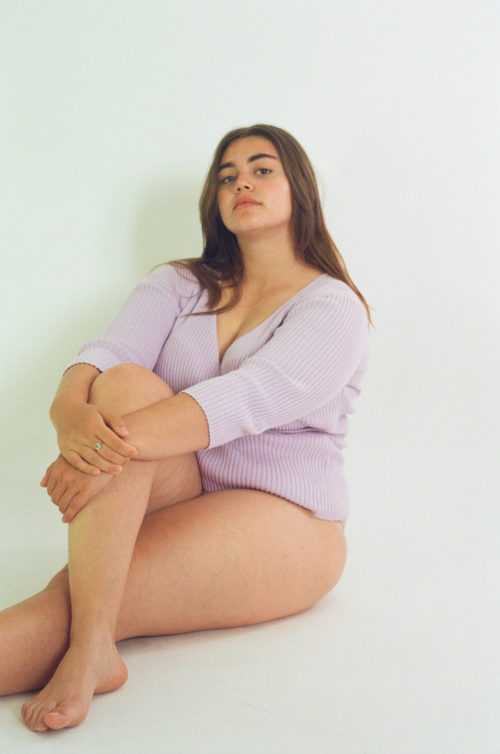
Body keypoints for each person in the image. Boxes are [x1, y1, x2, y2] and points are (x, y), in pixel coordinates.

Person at [0, 124, 373, 733]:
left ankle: (91, 644)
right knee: (124, 382)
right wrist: (69, 420)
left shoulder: (332, 307)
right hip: (178, 483)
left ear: (299, 189)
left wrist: (98, 452)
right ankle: (95, 645)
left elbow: (248, 396)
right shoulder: (179, 283)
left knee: (69, 603)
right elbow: (108, 354)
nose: (242, 183)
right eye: (227, 176)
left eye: (262, 169)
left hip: (284, 518)